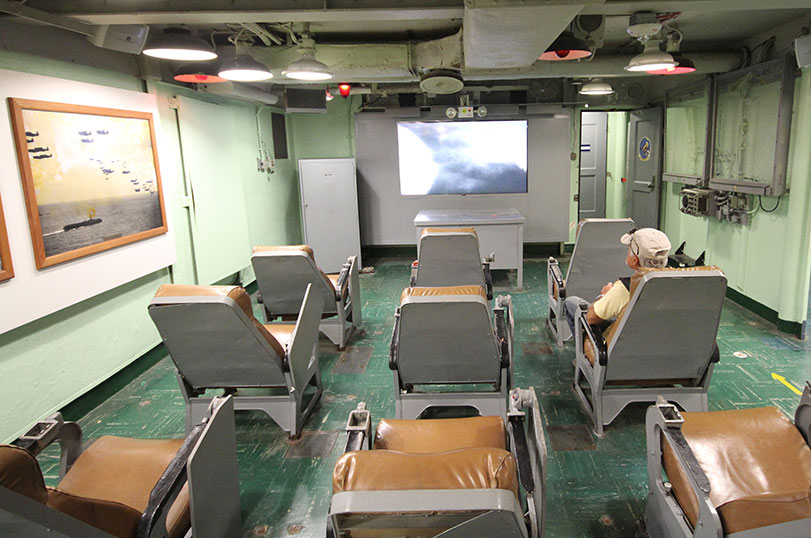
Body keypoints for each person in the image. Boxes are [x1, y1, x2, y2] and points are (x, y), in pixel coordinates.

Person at [563, 227, 671, 335]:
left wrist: (603, 296)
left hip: (627, 341)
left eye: (629, 248)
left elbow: (591, 318)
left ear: (634, 260)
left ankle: (585, 345)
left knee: (571, 302)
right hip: (657, 337)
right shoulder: (674, 285)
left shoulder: (624, 289)